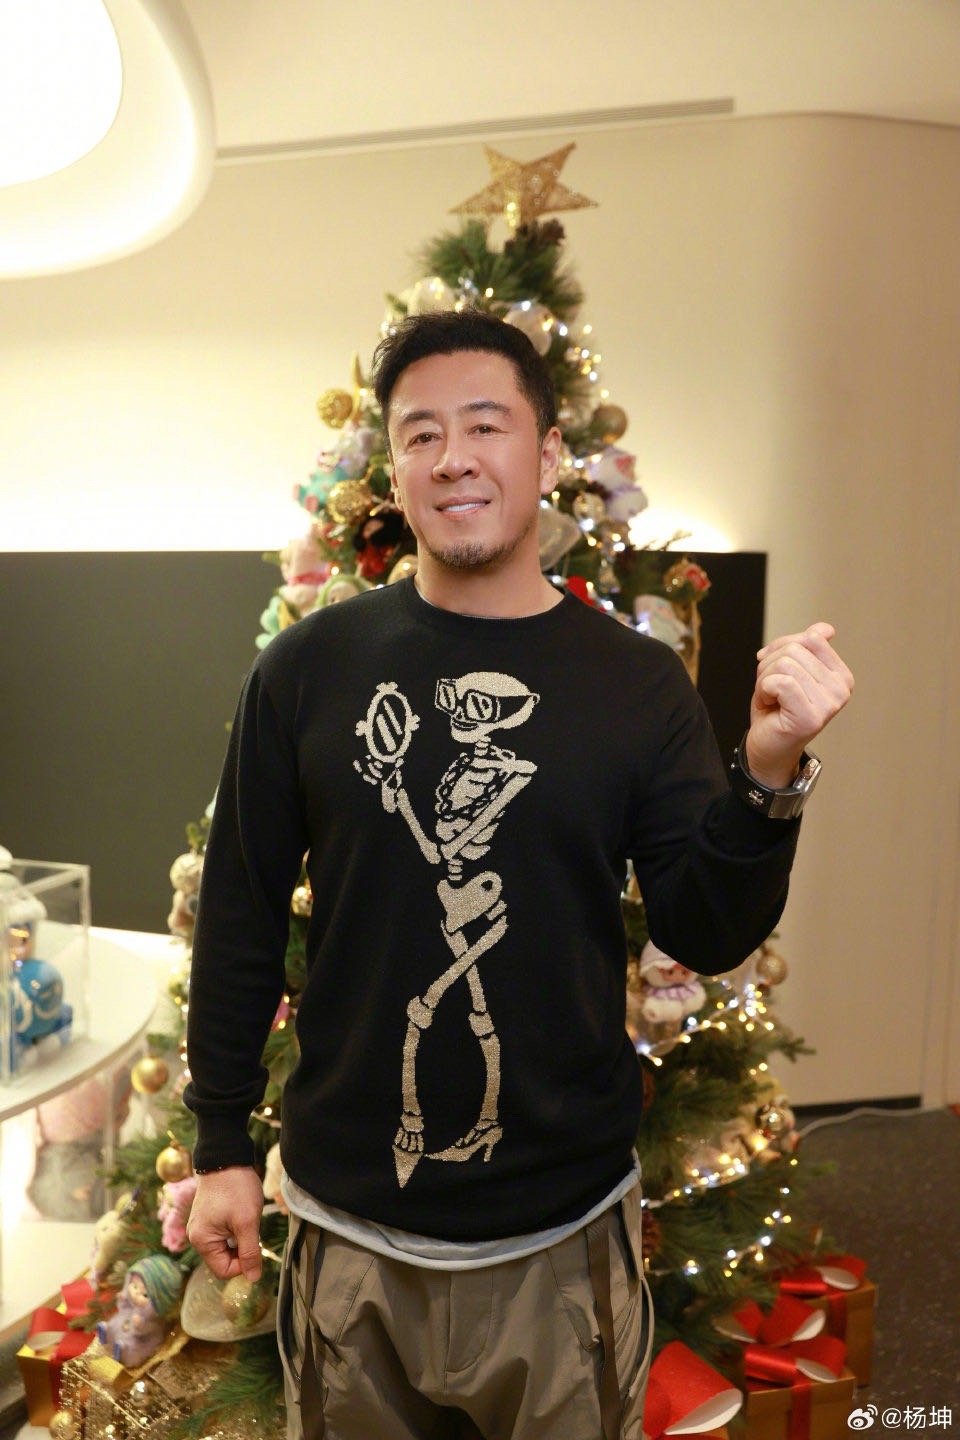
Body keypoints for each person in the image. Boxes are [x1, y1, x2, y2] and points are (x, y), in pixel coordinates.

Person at [184, 309, 854, 1440]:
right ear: (394, 467)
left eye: (485, 425)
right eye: (422, 434)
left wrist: (770, 769)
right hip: (349, 1232)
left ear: (547, 455)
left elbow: (704, 926)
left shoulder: (639, 685)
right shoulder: (306, 670)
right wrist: (220, 1147)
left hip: (562, 1234)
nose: (454, 457)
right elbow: (240, 912)